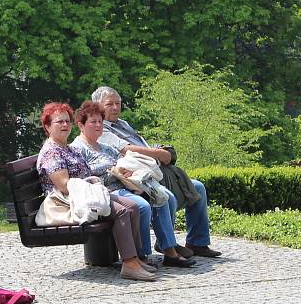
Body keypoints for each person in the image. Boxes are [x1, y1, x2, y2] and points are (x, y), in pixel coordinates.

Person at [91, 86, 221, 258]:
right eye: (110, 104)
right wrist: (160, 154)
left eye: (118, 103)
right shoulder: (101, 129)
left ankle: (197, 242)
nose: (115, 108)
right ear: (97, 106)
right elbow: (127, 150)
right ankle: (167, 244)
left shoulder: (122, 124)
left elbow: (140, 147)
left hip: (153, 171)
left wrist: (159, 151)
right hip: (137, 178)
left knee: (198, 188)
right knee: (168, 196)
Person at [36, 102, 157, 281]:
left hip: (86, 194)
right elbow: (64, 186)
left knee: (132, 206)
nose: (65, 125)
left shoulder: (66, 148)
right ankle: (129, 264)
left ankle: (136, 258)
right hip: (68, 202)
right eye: (59, 122)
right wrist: (93, 183)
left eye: (67, 121)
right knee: (122, 211)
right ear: (47, 126)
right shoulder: (52, 152)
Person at [70, 101, 196, 268]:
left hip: (125, 186)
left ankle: (169, 250)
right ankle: (141, 254)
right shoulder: (77, 148)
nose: (98, 125)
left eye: (100, 121)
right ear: (81, 125)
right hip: (105, 192)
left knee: (163, 197)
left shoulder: (105, 147)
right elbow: (83, 176)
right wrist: (112, 169)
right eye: (93, 122)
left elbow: (124, 162)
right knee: (143, 206)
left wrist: (126, 171)